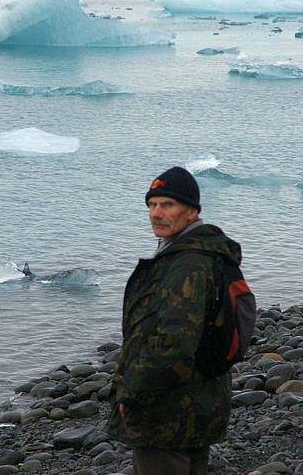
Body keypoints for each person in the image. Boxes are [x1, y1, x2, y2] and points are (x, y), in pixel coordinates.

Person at [108, 166, 243, 475]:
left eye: (167, 205)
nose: (156, 213)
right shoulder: (201, 253)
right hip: (200, 398)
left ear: (192, 211)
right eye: (152, 205)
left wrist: (132, 390)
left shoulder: (187, 265)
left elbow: (175, 342)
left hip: (168, 409)